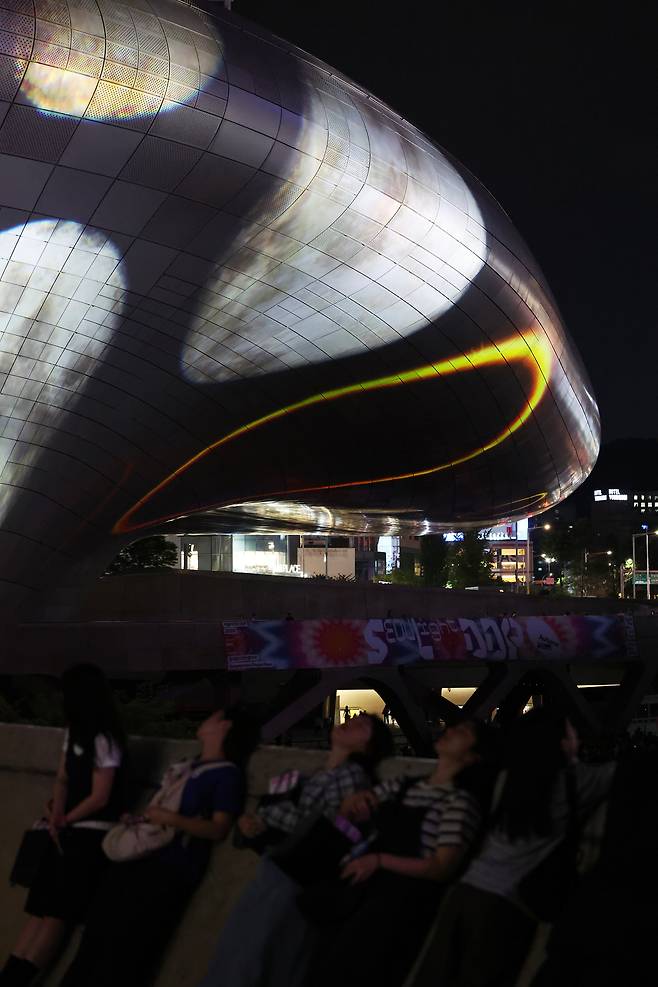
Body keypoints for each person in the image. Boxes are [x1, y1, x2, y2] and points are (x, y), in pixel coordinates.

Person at [408, 708, 616, 987]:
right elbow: (623, 773)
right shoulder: (577, 781)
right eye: (571, 733)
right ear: (562, 742)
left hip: (465, 890)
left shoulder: (509, 778)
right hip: (509, 906)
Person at [58, 707, 260, 987]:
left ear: (225, 726)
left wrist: (171, 819)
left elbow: (218, 829)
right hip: (138, 858)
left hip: (168, 868)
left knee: (127, 949)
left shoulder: (227, 775)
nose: (205, 720)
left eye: (213, 717)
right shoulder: (189, 764)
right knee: (97, 936)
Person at [198, 714, 394, 987]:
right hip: (290, 872)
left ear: (369, 747)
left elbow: (327, 826)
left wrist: (269, 817)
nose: (352, 721)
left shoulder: (351, 776)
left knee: (245, 954)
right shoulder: (319, 775)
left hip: (293, 876)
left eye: (363, 726)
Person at [305, 719, 497, 987]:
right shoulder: (406, 785)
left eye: (462, 732)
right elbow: (351, 807)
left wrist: (379, 860)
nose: (450, 730)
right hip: (366, 895)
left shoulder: (460, 802)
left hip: (397, 907)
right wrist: (355, 805)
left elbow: (441, 867)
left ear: (474, 757)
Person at [1, 663, 126, 987]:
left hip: (89, 833)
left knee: (55, 913)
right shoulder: (77, 734)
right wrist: (58, 813)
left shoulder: (103, 739)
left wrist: (65, 817)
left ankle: (19, 977)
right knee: (42, 910)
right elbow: (63, 779)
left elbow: (100, 797)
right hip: (68, 829)